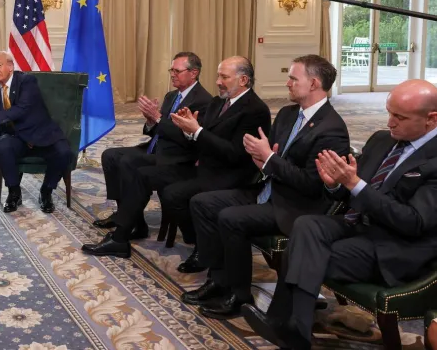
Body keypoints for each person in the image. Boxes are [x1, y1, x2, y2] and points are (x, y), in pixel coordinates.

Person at [242, 79, 437, 350]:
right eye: (389, 112)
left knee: (302, 253)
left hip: (394, 246)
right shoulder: (383, 139)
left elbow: (412, 222)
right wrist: (334, 184)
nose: (390, 122)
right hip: (360, 225)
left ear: (431, 119)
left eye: (400, 117)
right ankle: (293, 327)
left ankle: (291, 327)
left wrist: (354, 184)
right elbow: (348, 193)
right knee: (307, 225)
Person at [182, 55, 349, 319]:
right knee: (202, 202)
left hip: (295, 206)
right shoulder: (287, 114)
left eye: (294, 78)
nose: (287, 83)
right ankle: (218, 278)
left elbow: (310, 184)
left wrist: (269, 159)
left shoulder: (332, 129)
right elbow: (269, 157)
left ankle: (239, 294)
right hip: (267, 189)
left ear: (314, 83)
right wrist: (262, 159)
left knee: (230, 218)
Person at [82, 56, 271, 263]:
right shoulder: (219, 102)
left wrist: (195, 131)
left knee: (174, 194)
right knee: (140, 174)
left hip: (227, 175)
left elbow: (234, 154)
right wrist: (189, 130)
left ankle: (200, 244)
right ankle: (121, 237)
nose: (217, 81)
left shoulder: (255, 109)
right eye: (218, 76)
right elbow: (198, 139)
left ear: (243, 80)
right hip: (201, 165)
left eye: (224, 77)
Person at [94, 51, 212, 234]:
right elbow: (159, 129)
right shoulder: (172, 96)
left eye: (177, 71)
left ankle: (134, 223)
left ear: (193, 73)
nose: (172, 74)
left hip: (175, 156)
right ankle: (126, 214)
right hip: (156, 147)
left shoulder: (203, 101)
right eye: (171, 70)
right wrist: (150, 121)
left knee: (127, 162)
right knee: (110, 155)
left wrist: (158, 118)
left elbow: (186, 138)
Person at [0, 51, 73, 214]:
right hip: (17, 137)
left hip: (41, 133)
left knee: (64, 152)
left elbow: (22, 109)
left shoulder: (27, 81)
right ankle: (14, 192)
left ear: (11, 66)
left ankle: (46, 191)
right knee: (3, 147)